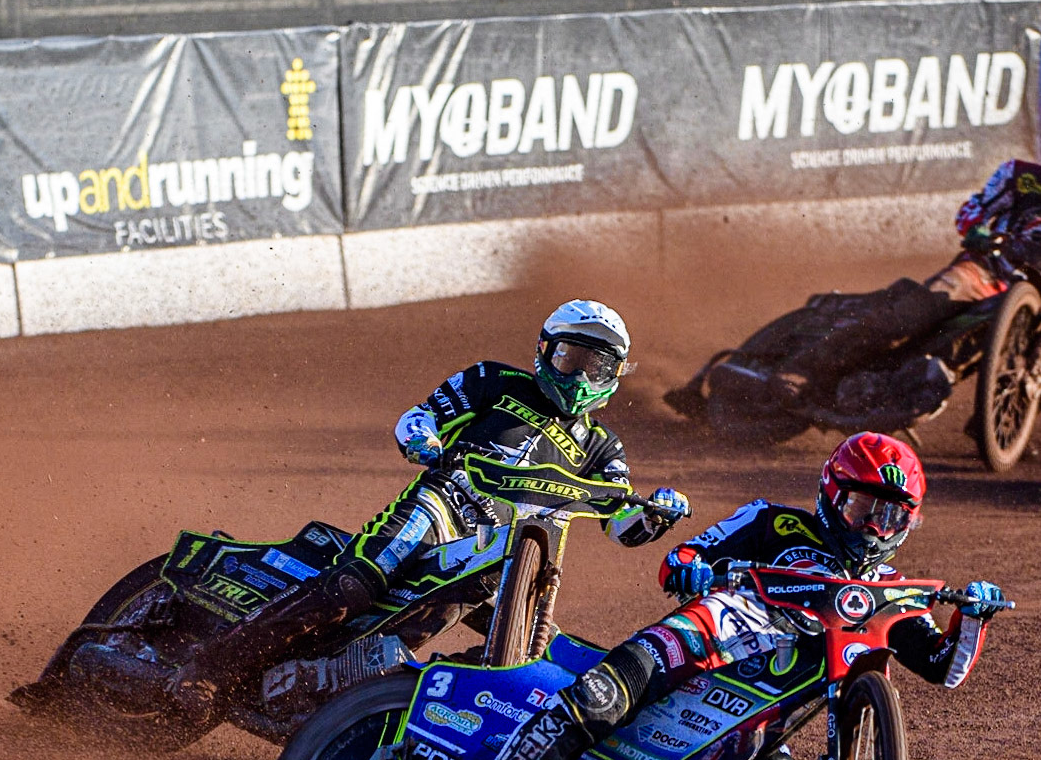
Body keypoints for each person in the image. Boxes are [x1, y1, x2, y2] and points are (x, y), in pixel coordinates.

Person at [440, 431, 1010, 760]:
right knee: (602, 695)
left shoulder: (890, 593)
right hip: (708, 636)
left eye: (893, 515)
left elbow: (943, 669)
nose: (875, 527)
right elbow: (684, 557)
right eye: (865, 509)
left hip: (757, 724)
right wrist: (692, 569)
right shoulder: (773, 521)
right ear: (833, 495)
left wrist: (971, 616)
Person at [169, 299, 689, 715]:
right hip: (443, 506)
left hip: (514, 556)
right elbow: (418, 418)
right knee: (356, 585)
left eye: (594, 367)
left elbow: (622, 525)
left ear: (615, 375)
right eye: (570, 359)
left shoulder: (604, 448)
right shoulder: (495, 381)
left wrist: (656, 514)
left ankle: (397, 705)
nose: (578, 378)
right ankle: (208, 668)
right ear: (545, 351)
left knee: (531, 658)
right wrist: (423, 439)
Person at [681, 113, 1041, 425]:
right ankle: (799, 372)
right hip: (982, 272)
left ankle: (999, 423)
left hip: (1037, 307)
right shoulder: (1021, 176)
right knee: (908, 314)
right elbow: (971, 210)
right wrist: (979, 231)